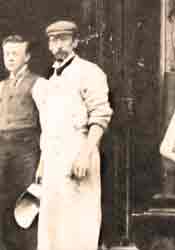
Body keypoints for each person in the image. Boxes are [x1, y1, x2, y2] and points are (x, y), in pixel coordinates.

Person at [32, 20, 113, 250]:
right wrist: (42, 163)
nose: (58, 45)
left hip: (79, 152)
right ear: (49, 45)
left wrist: (84, 155)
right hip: (53, 158)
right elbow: (49, 127)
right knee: (53, 226)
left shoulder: (89, 72)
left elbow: (100, 116)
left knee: (79, 223)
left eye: (64, 39)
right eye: (53, 40)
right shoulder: (51, 80)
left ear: (75, 42)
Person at [0, 34, 40, 250]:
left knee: (26, 202)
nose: (10, 58)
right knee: (3, 202)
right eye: (6, 53)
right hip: (2, 148)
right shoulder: (1, 86)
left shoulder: (38, 83)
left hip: (26, 148)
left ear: (27, 56)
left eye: (15, 53)